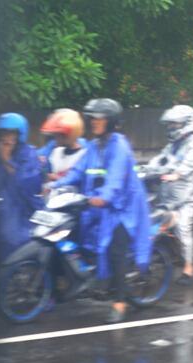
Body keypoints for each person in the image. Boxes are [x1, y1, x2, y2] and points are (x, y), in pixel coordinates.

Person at [49, 98, 152, 323]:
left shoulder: (120, 147)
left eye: (99, 119)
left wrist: (100, 199)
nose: (94, 123)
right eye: (92, 118)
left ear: (111, 122)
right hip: (101, 205)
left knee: (116, 250)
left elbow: (114, 182)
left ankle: (120, 302)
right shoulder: (93, 147)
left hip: (124, 209)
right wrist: (54, 186)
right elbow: (77, 171)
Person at [147, 104, 193, 286]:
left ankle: (189, 267)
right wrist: (145, 169)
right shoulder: (172, 145)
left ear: (186, 124)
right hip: (169, 197)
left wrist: (176, 174)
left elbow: (187, 166)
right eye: (170, 125)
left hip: (188, 198)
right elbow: (159, 160)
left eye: (175, 125)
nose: (171, 128)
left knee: (182, 227)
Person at [0, 112, 44, 261]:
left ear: (20, 135)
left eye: (11, 134)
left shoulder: (29, 155)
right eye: (3, 134)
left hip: (23, 213)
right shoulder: (0, 159)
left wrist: (7, 159)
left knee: (15, 248)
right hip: (3, 213)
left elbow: (26, 184)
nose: (6, 138)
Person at [39, 109, 87, 181]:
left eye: (59, 135)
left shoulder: (85, 154)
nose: (56, 138)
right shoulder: (55, 152)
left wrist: (56, 178)